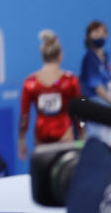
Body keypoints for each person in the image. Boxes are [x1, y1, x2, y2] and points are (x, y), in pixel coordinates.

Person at [18, 30, 81, 159]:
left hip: (41, 135)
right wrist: (83, 132)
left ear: (43, 56)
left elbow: (24, 115)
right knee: (65, 174)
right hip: (64, 133)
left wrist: (22, 140)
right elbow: (80, 112)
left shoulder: (30, 83)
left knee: (44, 176)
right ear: (60, 56)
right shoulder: (70, 80)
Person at [80, 20, 111, 146]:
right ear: (89, 36)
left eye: (103, 31)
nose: (100, 34)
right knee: (101, 146)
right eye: (96, 31)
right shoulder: (90, 58)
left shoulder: (106, 59)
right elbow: (98, 88)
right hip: (96, 110)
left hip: (107, 110)